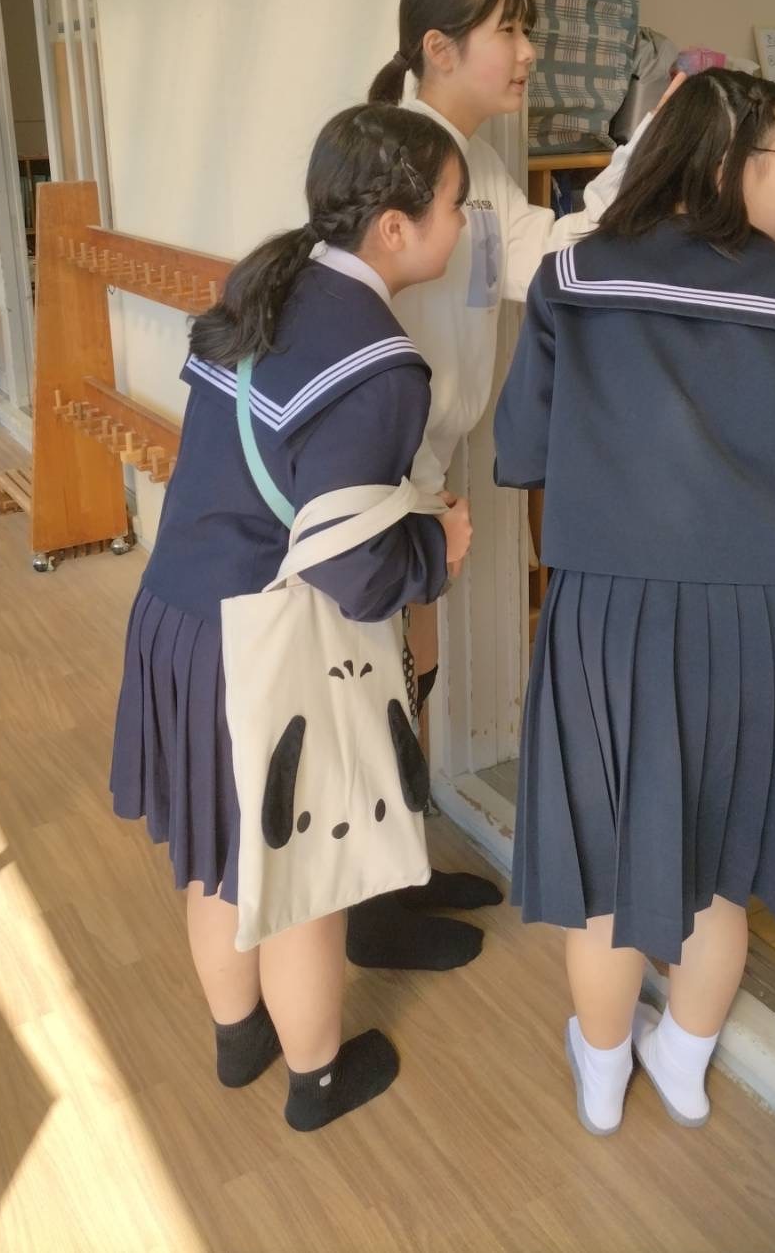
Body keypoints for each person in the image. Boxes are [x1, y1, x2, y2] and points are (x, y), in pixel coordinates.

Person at [494, 69, 775, 1136]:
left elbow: (523, 448)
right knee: (719, 870)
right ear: (732, 163)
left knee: (610, 865)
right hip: (754, 615)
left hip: (603, 611)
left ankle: (603, 1077)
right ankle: (684, 1062)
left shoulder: (574, 276)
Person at [110, 104, 473, 1132]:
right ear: (395, 227)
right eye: (457, 205)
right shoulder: (383, 365)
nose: (464, 223)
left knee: (219, 850)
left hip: (179, 615)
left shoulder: (265, 282)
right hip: (260, 650)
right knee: (299, 877)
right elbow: (352, 568)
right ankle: (316, 1078)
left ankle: (240, 1037)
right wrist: (438, 549)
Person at [361, 0, 683, 968]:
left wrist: (643, 150)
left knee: (411, 667)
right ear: (439, 47)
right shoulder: (395, 159)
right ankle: (369, 904)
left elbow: (547, 252)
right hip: (376, 466)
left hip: (424, 462)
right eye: (509, 30)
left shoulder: (470, 159)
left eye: (527, 29)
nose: (529, 52)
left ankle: (398, 867)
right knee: (374, 679)